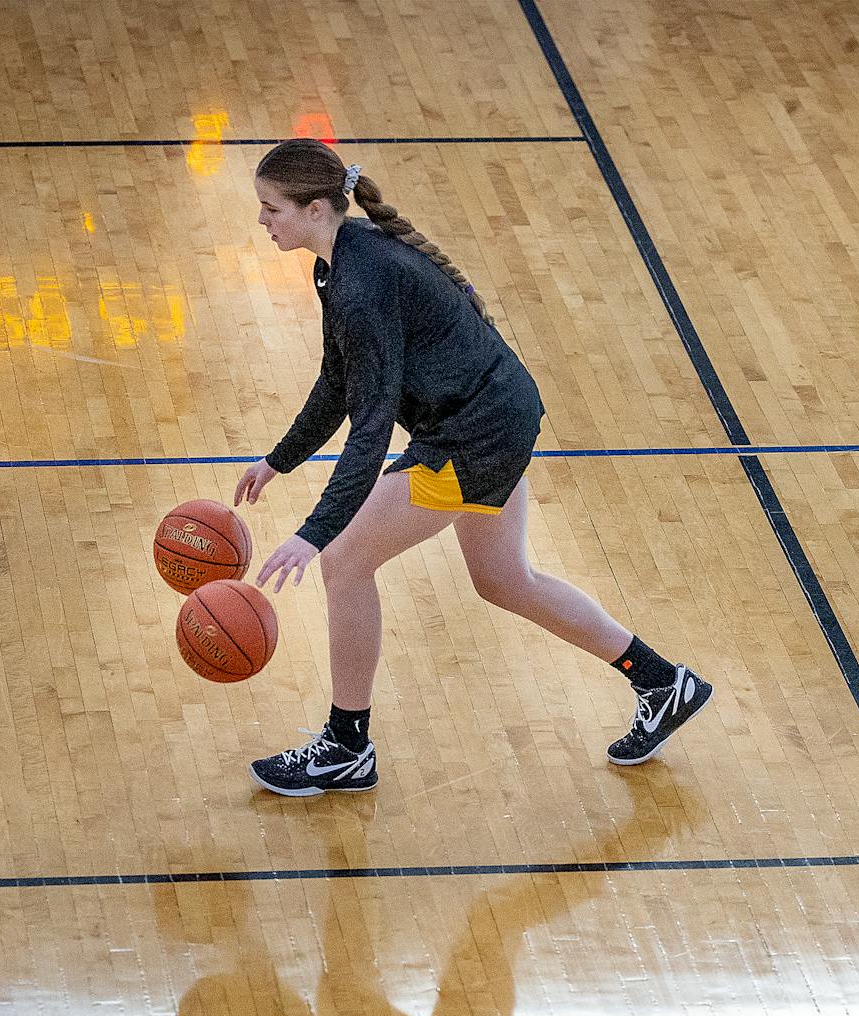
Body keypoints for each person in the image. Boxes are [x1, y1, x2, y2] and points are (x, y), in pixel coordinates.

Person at [234, 138, 711, 796]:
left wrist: (313, 533)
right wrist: (278, 460)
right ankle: (661, 681)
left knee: (342, 561)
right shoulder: (341, 263)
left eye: (271, 209)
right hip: (497, 415)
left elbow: (371, 429)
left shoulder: (362, 285)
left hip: (472, 436)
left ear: (315, 209)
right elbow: (339, 381)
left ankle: (346, 747)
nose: (262, 220)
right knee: (505, 579)